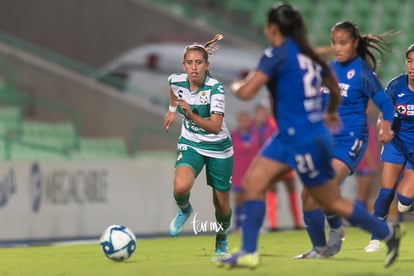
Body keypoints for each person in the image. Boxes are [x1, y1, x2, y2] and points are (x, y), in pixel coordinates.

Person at [216, 3, 401, 269]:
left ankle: (384, 233)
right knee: (254, 183)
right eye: (334, 42)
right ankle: (249, 250)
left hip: (305, 137)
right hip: (295, 135)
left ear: (272, 29)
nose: (336, 47)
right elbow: (334, 91)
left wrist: (235, 83)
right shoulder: (312, 57)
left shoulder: (277, 54)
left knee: (325, 200)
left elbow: (245, 93)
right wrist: (330, 112)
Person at [296, 20, 398, 259]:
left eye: (343, 43)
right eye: (334, 42)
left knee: (323, 188)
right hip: (325, 140)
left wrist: (385, 125)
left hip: (351, 139)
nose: (338, 48)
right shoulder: (329, 70)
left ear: (354, 43)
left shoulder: (362, 73)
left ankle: (372, 232)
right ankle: (321, 246)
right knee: (308, 195)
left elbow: (385, 103)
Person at [163, 34, 233, 256]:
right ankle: (185, 210)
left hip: (218, 147)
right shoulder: (176, 80)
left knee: (221, 205)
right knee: (180, 187)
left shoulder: (215, 89)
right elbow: (173, 92)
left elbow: (215, 126)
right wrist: (172, 110)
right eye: (190, 63)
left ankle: (221, 237)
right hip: (191, 142)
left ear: (206, 65)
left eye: (199, 62)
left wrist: (191, 116)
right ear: (184, 65)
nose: (194, 68)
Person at [364, 44, 414, 252]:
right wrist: (383, 129)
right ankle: (375, 237)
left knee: (403, 201)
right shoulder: (396, 85)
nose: (412, 66)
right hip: (396, 143)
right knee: (385, 192)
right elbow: (384, 114)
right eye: (410, 61)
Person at [252, 104, 302, 231]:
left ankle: (297, 223)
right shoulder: (256, 128)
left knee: (292, 191)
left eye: (263, 113)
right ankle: (273, 225)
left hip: (285, 160)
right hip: (270, 163)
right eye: (259, 113)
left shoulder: (275, 122)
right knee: (271, 192)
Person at [230, 110, 260, 232]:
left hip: (252, 171)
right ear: (238, 121)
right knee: (239, 199)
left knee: (253, 198)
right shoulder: (233, 135)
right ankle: (238, 226)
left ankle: (254, 225)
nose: (244, 122)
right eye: (241, 120)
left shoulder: (256, 135)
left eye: (246, 120)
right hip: (238, 172)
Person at [355, 100, 379, 210]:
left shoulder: (367, 121)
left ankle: (362, 218)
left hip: (369, 162)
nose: (372, 106)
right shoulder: (361, 122)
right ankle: (357, 218)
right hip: (364, 163)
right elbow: (365, 145)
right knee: (362, 194)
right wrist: (371, 163)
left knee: (366, 195)